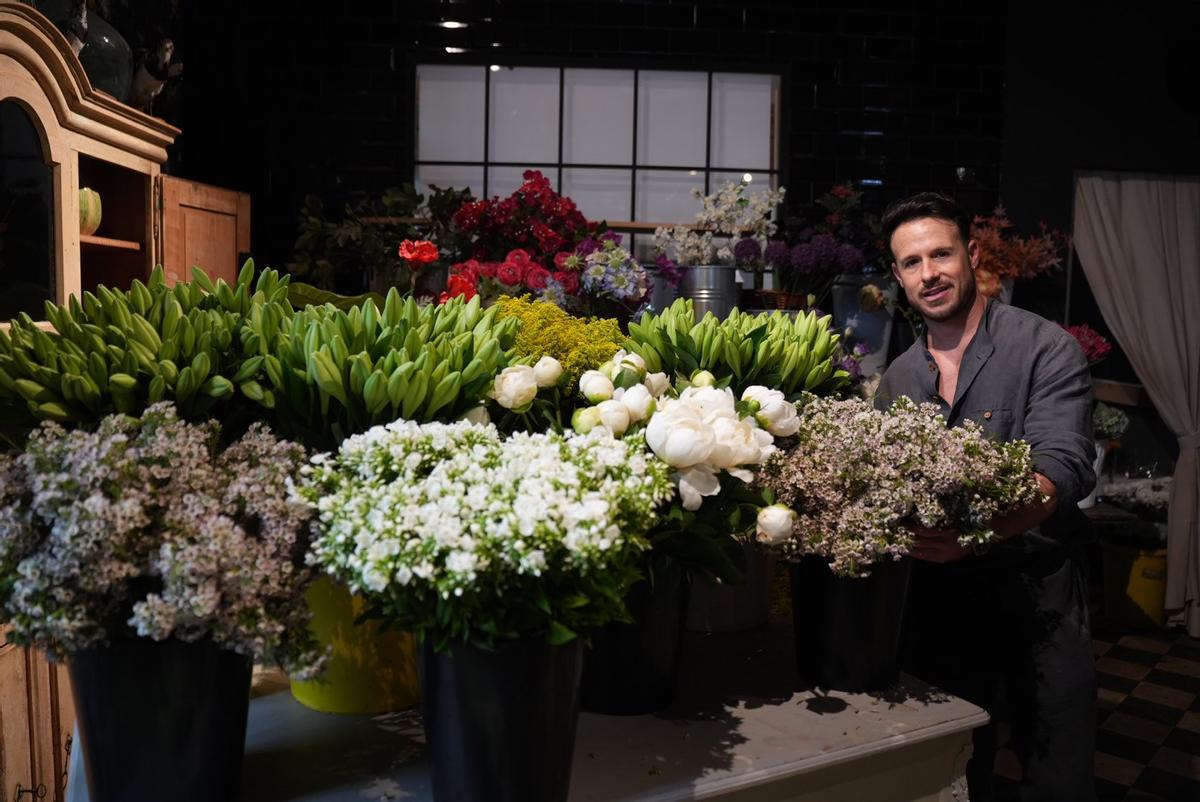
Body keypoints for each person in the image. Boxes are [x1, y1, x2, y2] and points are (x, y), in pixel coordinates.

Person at [875, 192, 1097, 802]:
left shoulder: (1045, 348)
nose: (930, 273)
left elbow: (1062, 465)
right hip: (941, 603)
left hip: (1036, 592)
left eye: (941, 254)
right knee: (947, 767)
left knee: (1056, 767)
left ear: (971, 254)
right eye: (913, 262)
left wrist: (977, 534)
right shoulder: (898, 377)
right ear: (898, 276)